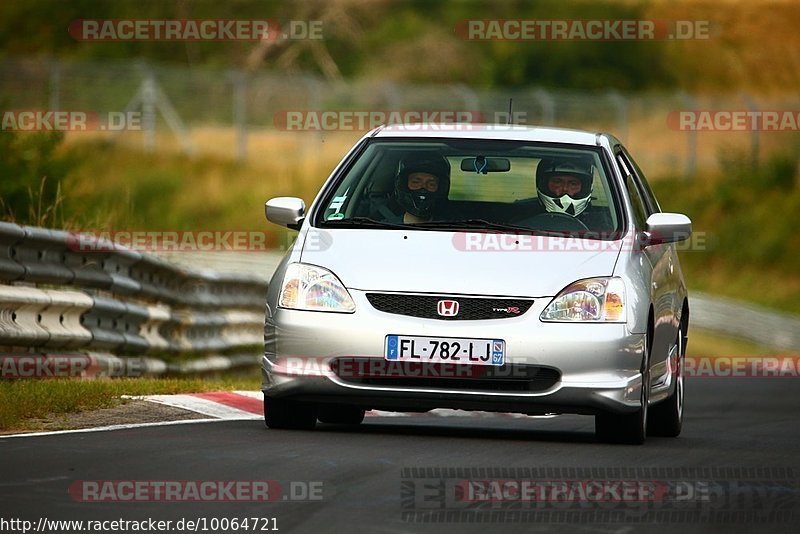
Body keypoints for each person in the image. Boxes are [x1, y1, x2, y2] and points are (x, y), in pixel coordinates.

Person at [389, 157, 451, 223]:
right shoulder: (384, 229)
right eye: (415, 182)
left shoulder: (452, 228)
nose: (423, 187)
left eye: (431, 184)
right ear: (403, 185)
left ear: (440, 188)